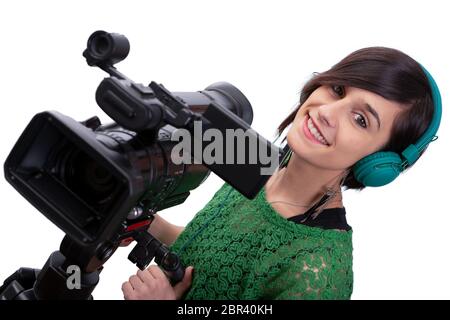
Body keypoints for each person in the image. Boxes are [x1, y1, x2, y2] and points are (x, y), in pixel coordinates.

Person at [121, 47, 439, 300]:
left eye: (360, 119)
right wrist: (145, 222)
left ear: (379, 164)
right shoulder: (256, 159)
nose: (326, 112)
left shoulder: (319, 272)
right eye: (338, 89)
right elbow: (209, 258)